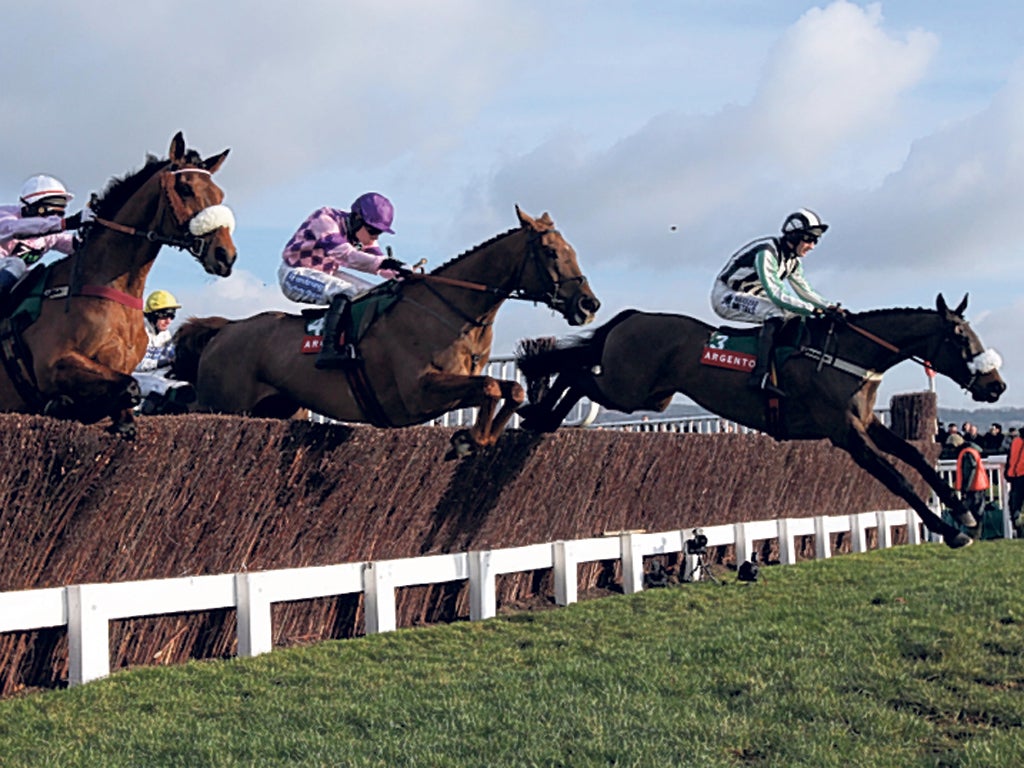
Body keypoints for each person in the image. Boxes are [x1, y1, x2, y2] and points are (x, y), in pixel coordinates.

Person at [711, 208, 837, 397]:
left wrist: (829, 307)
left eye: (815, 240)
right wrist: (812, 310)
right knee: (776, 312)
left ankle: (784, 368)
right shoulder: (767, 252)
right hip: (727, 294)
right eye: (809, 239)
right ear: (794, 237)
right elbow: (776, 293)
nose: (813, 246)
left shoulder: (793, 261)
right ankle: (759, 375)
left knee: (794, 315)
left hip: (751, 294)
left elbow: (805, 291)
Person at [277, 192, 412, 368]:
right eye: (372, 231)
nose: (375, 237)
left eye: (379, 233)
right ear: (356, 218)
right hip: (294, 274)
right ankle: (328, 350)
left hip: (325, 273)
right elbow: (346, 255)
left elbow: (380, 265)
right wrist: (385, 263)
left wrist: (403, 273)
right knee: (345, 291)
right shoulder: (325, 219)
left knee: (372, 293)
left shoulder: (361, 234)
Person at [0, 174, 95, 296]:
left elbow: (72, 245)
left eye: (59, 212)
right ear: (29, 208)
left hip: (10, 275)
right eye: (48, 211)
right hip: (9, 266)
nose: (53, 218)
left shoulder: (51, 234)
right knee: (16, 264)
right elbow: (16, 228)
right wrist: (66, 223)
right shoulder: (5, 216)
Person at [133, 290, 195, 414]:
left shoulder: (165, 334)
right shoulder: (138, 331)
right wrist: (162, 362)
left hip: (155, 378)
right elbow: (135, 364)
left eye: (172, 316)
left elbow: (170, 357)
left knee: (184, 388)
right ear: (153, 314)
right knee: (160, 386)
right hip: (134, 378)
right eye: (165, 316)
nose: (168, 321)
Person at [954, 439, 989, 527]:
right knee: (978, 510)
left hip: (973, 486)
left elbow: (969, 472)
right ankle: (976, 532)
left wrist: (965, 488)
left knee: (974, 511)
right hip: (979, 484)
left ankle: (975, 532)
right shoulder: (972, 451)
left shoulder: (966, 453)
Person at [1005, 429, 1024, 536]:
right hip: (1016, 477)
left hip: (1016, 477)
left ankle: (1020, 531)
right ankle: (1020, 532)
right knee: (1014, 507)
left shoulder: (1016, 441)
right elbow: (1010, 458)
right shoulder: (1016, 441)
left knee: (1014, 507)